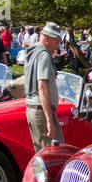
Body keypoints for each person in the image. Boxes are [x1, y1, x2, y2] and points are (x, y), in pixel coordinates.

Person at [25, 22, 65, 150]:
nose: (57, 46)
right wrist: (49, 120)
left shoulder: (32, 52)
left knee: (42, 154)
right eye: (56, 41)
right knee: (55, 154)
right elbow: (42, 86)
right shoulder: (44, 55)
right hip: (42, 111)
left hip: (32, 109)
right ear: (47, 38)